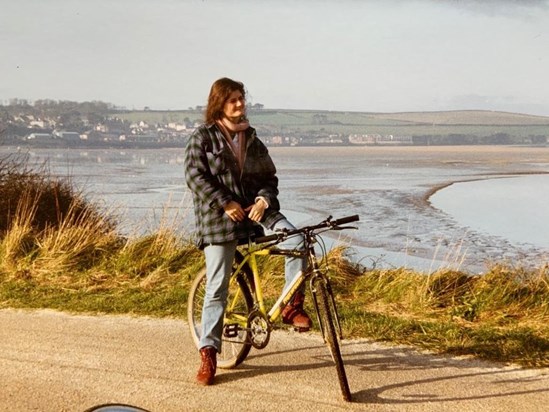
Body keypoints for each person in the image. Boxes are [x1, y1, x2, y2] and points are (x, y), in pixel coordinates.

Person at [184, 77, 312, 386]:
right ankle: (209, 353)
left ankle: (291, 307)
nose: (240, 104)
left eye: (241, 99)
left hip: (256, 213)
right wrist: (225, 202)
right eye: (233, 100)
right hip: (220, 219)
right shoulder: (203, 137)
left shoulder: (252, 138)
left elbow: (269, 177)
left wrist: (263, 199)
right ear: (219, 104)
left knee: (297, 241)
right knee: (217, 287)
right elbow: (194, 176)